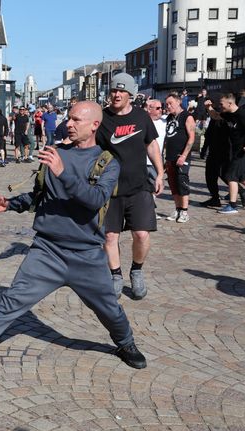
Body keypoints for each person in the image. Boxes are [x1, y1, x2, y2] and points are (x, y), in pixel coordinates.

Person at [0, 101, 147, 389]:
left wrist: (64, 173)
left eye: (76, 120)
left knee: (109, 309)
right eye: (68, 118)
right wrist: (10, 204)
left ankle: (126, 344)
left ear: (94, 125)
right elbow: (39, 197)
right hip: (47, 251)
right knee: (10, 302)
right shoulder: (55, 154)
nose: (69, 124)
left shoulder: (107, 162)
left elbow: (94, 200)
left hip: (86, 255)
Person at [96, 73, 164, 300]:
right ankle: (115, 275)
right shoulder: (101, 117)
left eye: (121, 91)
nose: (116, 94)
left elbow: (152, 145)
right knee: (110, 237)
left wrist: (160, 173)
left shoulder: (141, 117)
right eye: (114, 90)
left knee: (142, 234)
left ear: (131, 95)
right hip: (110, 188)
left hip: (139, 185)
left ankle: (136, 270)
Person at [163, 93, 196, 223]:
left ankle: (184, 211)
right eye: (167, 104)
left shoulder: (187, 117)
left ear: (178, 102)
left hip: (182, 156)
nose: (168, 106)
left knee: (182, 182)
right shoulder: (170, 117)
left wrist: (184, 155)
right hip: (170, 156)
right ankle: (177, 208)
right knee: (173, 184)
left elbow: (191, 138)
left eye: (170, 103)